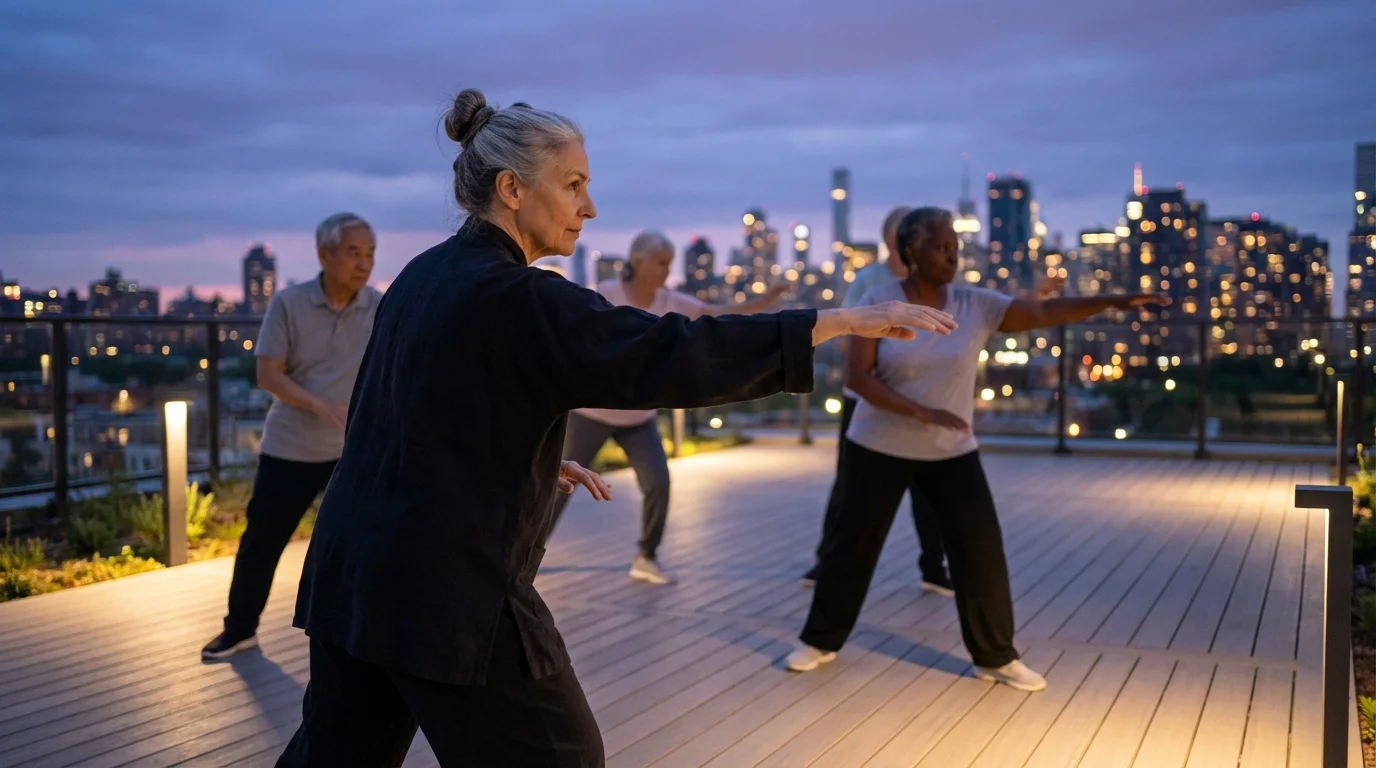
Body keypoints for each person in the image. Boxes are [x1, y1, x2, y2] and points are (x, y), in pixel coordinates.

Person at [276, 88, 956, 767]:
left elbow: (401, 410)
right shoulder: (519, 297)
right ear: (511, 188)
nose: (589, 207)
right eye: (573, 185)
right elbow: (670, 353)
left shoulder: (424, 276)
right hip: (445, 589)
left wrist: (525, 459)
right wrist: (828, 323)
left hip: (354, 570)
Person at [787, 206, 1163, 694]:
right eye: (941, 247)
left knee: (980, 551)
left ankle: (996, 658)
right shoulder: (881, 303)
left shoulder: (974, 304)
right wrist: (923, 412)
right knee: (850, 550)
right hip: (877, 445)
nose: (952, 256)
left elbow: (1046, 311)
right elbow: (858, 378)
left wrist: (1114, 301)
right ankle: (820, 641)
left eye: (955, 248)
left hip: (950, 449)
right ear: (910, 251)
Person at [800, 208, 1065, 593]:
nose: (946, 253)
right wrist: (874, 351)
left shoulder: (943, 287)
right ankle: (828, 563)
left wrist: (1035, 297)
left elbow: (997, 310)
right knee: (850, 492)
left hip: (928, 404)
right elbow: (846, 328)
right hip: (869, 405)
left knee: (928, 493)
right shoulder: (872, 282)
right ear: (901, 243)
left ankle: (932, 567)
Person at [551, 230, 789, 585]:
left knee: (659, 483)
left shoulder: (669, 302)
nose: (666, 270)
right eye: (661, 263)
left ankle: (646, 556)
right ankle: (524, 555)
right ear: (638, 262)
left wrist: (765, 301)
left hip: (639, 415)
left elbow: (714, 315)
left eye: (669, 264)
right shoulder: (606, 294)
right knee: (556, 487)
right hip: (592, 412)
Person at [201, 213, 379, 662]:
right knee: (262, 540)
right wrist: (320, 405)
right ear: (325, 255)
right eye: (354, 253)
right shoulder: (289, 303)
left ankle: (365, 636)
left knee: (363, 543)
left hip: (350, 450)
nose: (364, 264)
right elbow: (267, 374)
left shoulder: (379, 307)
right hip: (291, 446)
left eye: (370, 254)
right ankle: (239, 629)